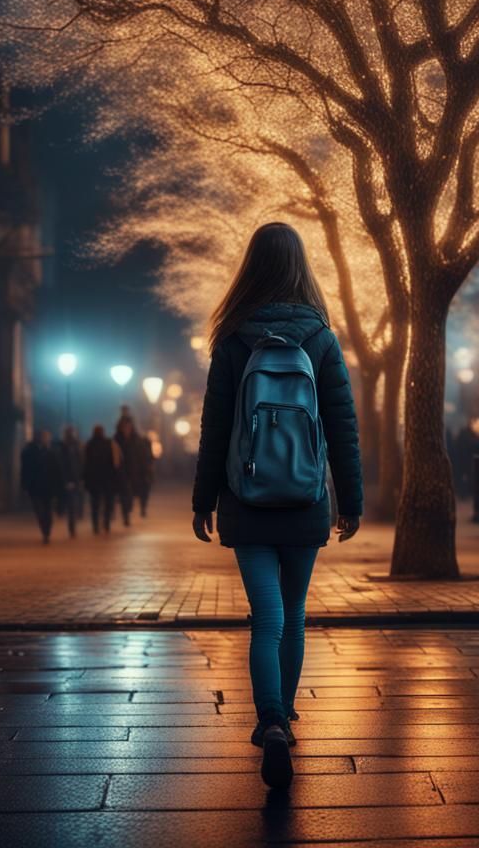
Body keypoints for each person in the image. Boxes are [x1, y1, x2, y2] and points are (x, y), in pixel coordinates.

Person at [191, 222, 363, 791]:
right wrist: (351, 501)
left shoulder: (233, 337)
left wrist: (202, 500)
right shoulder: (321, 336)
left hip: (247, 497)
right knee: (294, 613)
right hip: (307, 497)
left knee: (265, 616)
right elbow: (342, 426)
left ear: (251, 268)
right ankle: (283, 719)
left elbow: (215, 428)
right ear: (301, 266)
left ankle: (268, 720)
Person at [21, 429, 63, 543]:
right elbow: (25, 470)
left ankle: (46, 531)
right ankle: (44, 529)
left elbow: (57, 471)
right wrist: (25, 485)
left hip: (48, 487)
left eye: (47, 437)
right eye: (43, 437)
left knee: (48, 510)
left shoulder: (53, 452)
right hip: (35, 486)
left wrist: (59, 486)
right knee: (39, 511)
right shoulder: (29, 451)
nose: (45, 439)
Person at [83, 424, 121, 533]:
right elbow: (116, 462)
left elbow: (85, 463)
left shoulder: (89, 444)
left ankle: (95, 525)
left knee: (95, 504)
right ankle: (106, 523)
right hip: (107, 479)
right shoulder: (109, 443)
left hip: (94, 479)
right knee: (107, 503)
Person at [54, 425, 84, 537]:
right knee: (71, 503)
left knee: (72, 504)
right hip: (68, 479)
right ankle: (71, 526)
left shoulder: (75, 446)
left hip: (73, 479)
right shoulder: (64, 447)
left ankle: (72, 526)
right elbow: (62, 465)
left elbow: (80, 463)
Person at [113, 415, 143, 526]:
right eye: (125, 427)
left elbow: (140, 454)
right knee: (124, 494)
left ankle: (127, 510)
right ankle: (125, 516)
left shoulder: (135, 439)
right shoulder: (117, 439)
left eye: (128, 427)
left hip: (133, 470)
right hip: (121, 471)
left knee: (130, 495)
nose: (127, 429)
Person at [136, 431, 154, 518]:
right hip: (144, 473)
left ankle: (143, 507)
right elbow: (152, 459)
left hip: (143, 473)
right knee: (145, 492)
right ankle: (143, 507)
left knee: (144, 492)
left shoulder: (141, 447)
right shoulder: (147, 448)